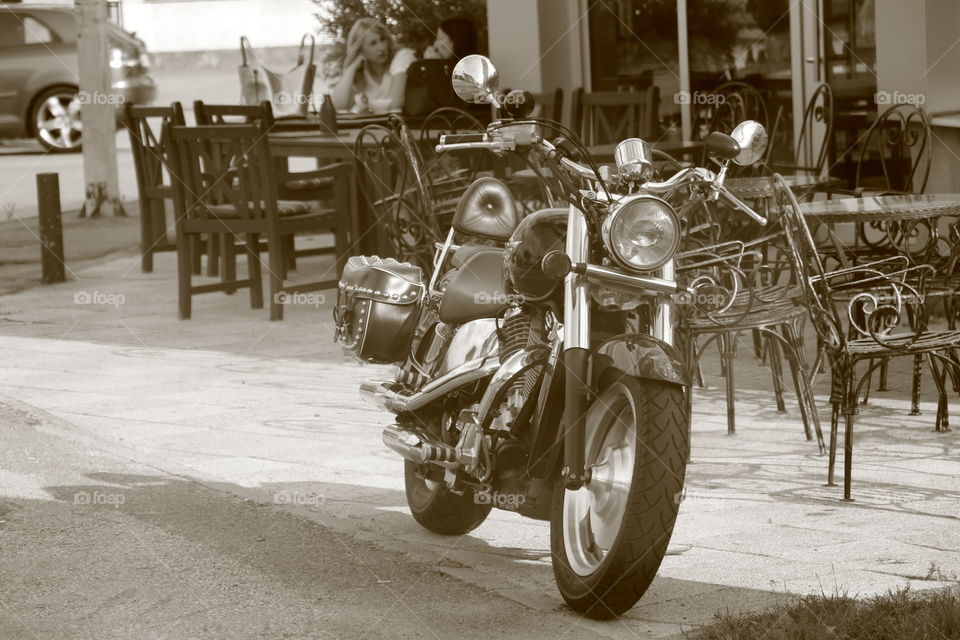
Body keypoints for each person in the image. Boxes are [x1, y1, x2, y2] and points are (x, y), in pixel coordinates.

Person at [331, 18, 416, 113]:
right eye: (373, 43)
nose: (381, 47)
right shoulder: (361, 73)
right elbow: (336, 106)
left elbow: (394, 103)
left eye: (382, 39)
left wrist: (368, 108)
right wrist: (351, 68)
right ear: (360, 49)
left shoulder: (402, 57)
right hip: (377, 126)